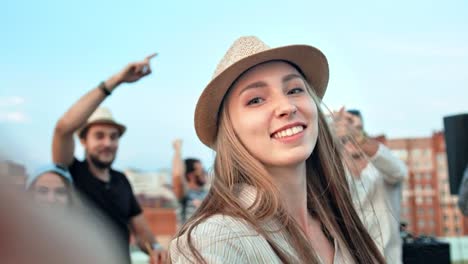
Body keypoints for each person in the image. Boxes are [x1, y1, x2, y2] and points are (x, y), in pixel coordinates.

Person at [169, 36, 385, 264]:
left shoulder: (339, 224)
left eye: (294, 90)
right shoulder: (214, 240)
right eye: (255, 100)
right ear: (230, 130)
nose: (286, 107)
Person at [52, 54, 165, 263]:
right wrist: (116, 81)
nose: (108, 143)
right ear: (83, 140)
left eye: (113, 137)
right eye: (99, 136)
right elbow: (62, 129)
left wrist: (156, 248)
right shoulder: (70, 172)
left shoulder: (121, 180)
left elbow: (141, 233)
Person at [332, 107, 408, 263]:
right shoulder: (333, 171)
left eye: (356, 128)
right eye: (345, 129)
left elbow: (399, 171)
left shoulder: (381, 168)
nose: (350, 134)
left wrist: (357, 136)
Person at [171, 139, 208, 224]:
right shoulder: (185, 194)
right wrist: (178, 150)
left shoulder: (208, 194)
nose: (204, 173)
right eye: (201, 170)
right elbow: (177, 176)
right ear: (190, 175)